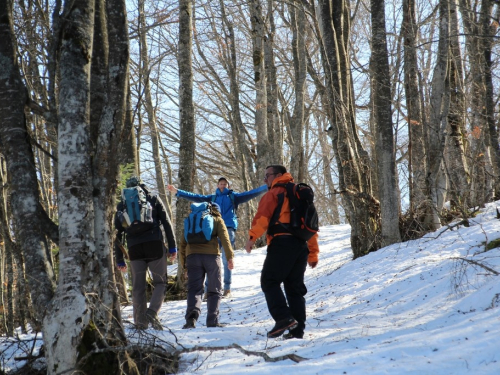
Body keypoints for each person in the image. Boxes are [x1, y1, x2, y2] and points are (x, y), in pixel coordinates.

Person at [244, 165, 319, 339]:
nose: (265, 180)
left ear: (278, 175)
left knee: (269, 281)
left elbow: (262, 217)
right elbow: (309, 227)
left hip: (282, 244)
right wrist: (312, 253)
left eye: (267, 176)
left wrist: (251, 238)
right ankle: (297, 330)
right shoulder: (298, 194)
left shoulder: (274, 193)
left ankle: (283, 318)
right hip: (300, 246)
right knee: (294, 288)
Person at [167, 177, 266, 297]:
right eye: (221, 184)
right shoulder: (212, 198)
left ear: (228, 186)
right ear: (217, 185)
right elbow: (196, 197)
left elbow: (251, 193)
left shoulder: (234, 197)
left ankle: (227, 288)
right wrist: (178, 192)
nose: (223, 185)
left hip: (228, 229)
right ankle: (209, 290)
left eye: (225, 184)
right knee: (211, 259)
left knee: (226, 259)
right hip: (214, 231)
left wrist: (267, 186)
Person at [115, 176, 177, 330]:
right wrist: (172, 247)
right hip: (154, 245)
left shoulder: (122, 204)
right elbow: (167, 223)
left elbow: (117, 234)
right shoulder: (153, 198)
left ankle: (140, 324)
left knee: (138, 288)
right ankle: (152, 312)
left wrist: (120, 259)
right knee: (161, 282)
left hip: (134, 249)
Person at [179, 202, 234, 329]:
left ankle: (191, 320)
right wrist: (230, 257)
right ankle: (212, 320)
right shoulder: (217, 219)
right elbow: (225, 239)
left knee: (194, 289)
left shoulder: (192, 219)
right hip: (212, 257)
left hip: (192, 257)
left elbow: (182, 244)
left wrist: (185, 266)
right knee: (215, 289)